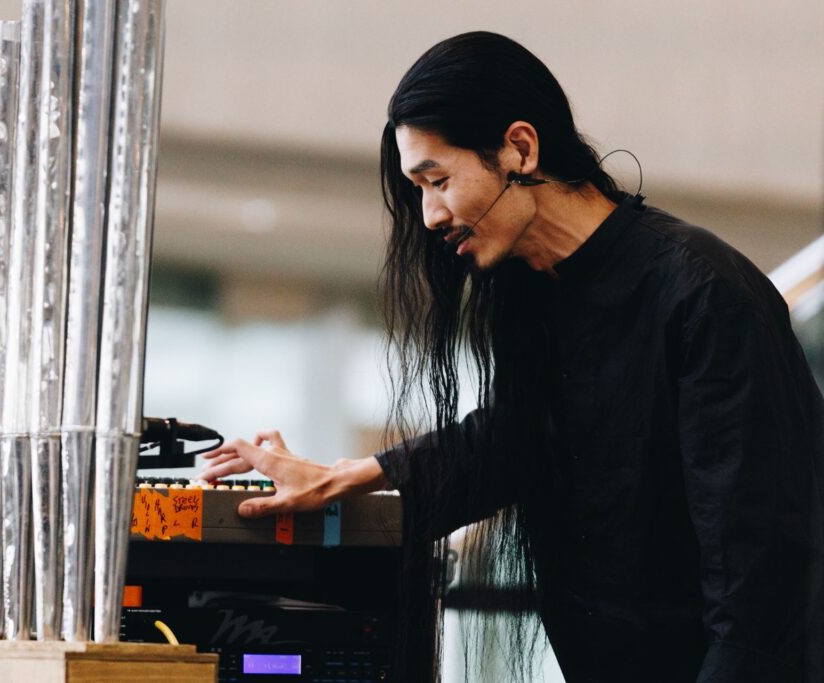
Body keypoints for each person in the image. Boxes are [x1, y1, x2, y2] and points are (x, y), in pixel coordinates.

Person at [200, 32, 824, 683]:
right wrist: (342, 476)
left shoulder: (704, 292)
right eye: (418, 188)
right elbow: (509, 440)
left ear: (520, 148)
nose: (430, 214)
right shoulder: (539, 290)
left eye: (437, 180)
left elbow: (760, 581)